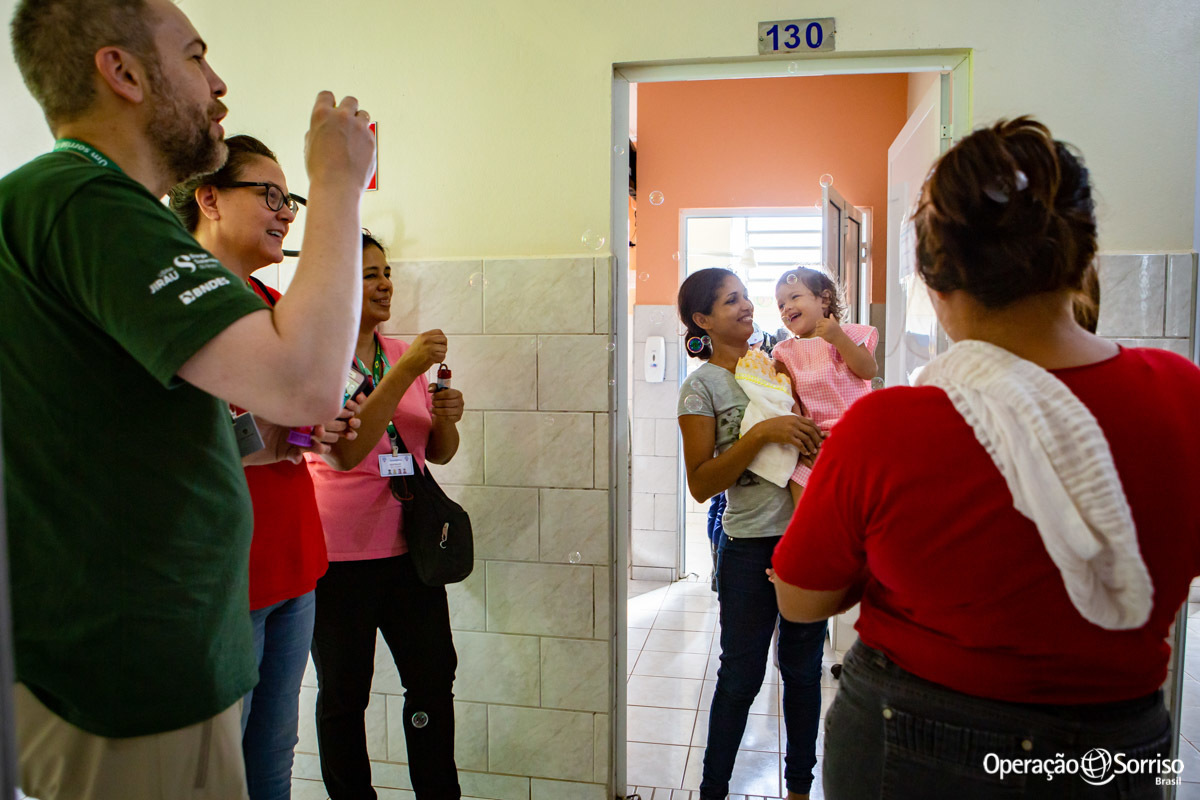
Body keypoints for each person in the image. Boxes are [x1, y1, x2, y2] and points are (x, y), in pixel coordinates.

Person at [1, 1, 375, 797]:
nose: (219, 84)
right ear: (123, 72)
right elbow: (303, 381)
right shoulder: (84, 201)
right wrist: (338, 183)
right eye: (197, 57)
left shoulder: (106, 210)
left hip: (162, 656)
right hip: (133, 675)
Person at [770, 118, 1200, 799]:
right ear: (1084, 261)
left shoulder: (886, 427)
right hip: (1112, 749)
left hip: (910, 744)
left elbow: (800, 598)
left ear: (933, 285)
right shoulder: (1184, 395)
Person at [170, 134, 363, 800]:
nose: (286, 213)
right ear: (208, 197)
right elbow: (186, 444)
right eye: (270, 196)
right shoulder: (178, 298)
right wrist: (284, 431)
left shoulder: (267, 298)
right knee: (221, 766)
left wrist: (320, 426)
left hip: (293, 557)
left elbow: (295, 425)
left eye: (293, 200)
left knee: (274, 753)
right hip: (224, 573)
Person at [306, 232, 466, 800]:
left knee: (431, 682)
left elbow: (435, 453)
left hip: (412, 554)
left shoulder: (401, 354)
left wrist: (448, 417)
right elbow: (345, 449)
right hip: (339, 558)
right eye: (369, 274)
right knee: (345, 694)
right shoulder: (315, 360)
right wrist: (405, 374)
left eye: (387, 271)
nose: (384, 283)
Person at [676, 268, 827, 800]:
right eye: (730, 300)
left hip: (804, 543)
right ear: (703, 320)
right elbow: (701, 484)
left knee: (804, 674)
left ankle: (800, 790)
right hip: (747, 548)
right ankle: (713, 790)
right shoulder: (702, 387)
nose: (746, 306)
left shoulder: (779, 369)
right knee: (740, 677)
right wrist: (762, 433)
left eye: (744, 296)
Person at [772, 267, 877, 506]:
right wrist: (804, 444)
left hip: (855, 437)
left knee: (857, 507)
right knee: (805, 504)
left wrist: (838, 337)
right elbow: (789, 403)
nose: (786, 307)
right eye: (780, 305)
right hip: (815, 442)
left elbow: (868, 371)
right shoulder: (785, 352)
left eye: (794, 297)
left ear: (824, 299)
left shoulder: (850, 334)